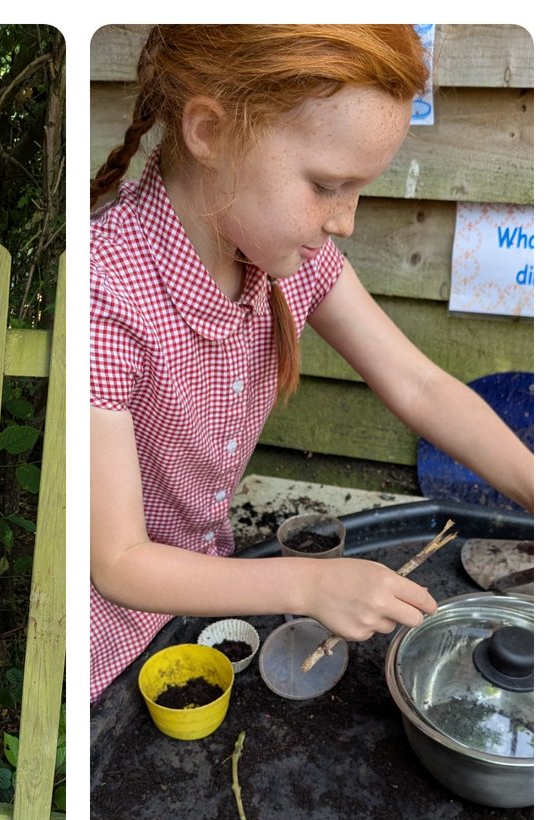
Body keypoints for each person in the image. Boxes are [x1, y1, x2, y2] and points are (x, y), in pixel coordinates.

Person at [89, 25, 534, 703]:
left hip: (214, 593)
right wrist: (308, 583)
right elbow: (117, 562)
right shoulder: (106, 291)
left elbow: (419, 385)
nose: (346, 222)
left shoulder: (289, 255)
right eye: (328, 184)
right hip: (110, 650)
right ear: (208, 131)